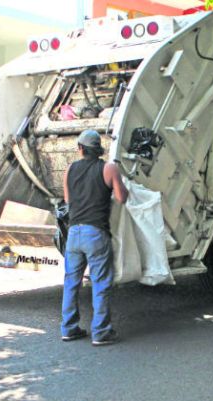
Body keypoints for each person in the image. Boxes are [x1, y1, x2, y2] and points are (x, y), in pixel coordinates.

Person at [60, 130, 128, 346]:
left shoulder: (69, 169)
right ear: (99, 148)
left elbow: (68, 200)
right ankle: (100, 332)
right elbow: (121, 197)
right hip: (95, 233)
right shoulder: (109, 168)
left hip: (74, 233)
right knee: (100, 283)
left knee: (71, 282)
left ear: (80, 148)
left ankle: (69, 328)